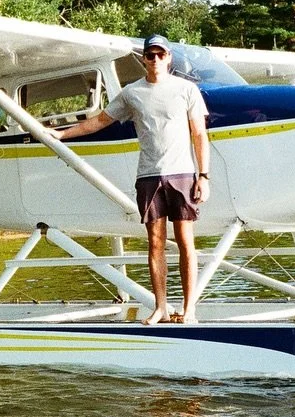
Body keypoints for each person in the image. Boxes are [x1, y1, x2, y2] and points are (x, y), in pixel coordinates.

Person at [52, 35, 211, 325]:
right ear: (144, 59)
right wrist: (63, 134)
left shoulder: (187, 89)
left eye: (160, 54)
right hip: (149, 176)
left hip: (182, 174)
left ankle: (189, 310)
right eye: (150, 55)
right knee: (155, 243)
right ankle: (161, 307)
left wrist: (203, 175)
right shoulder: (132, 93)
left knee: (186, 242)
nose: (155, 60)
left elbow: (199, 134)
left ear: (168, 58)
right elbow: (100, 120)